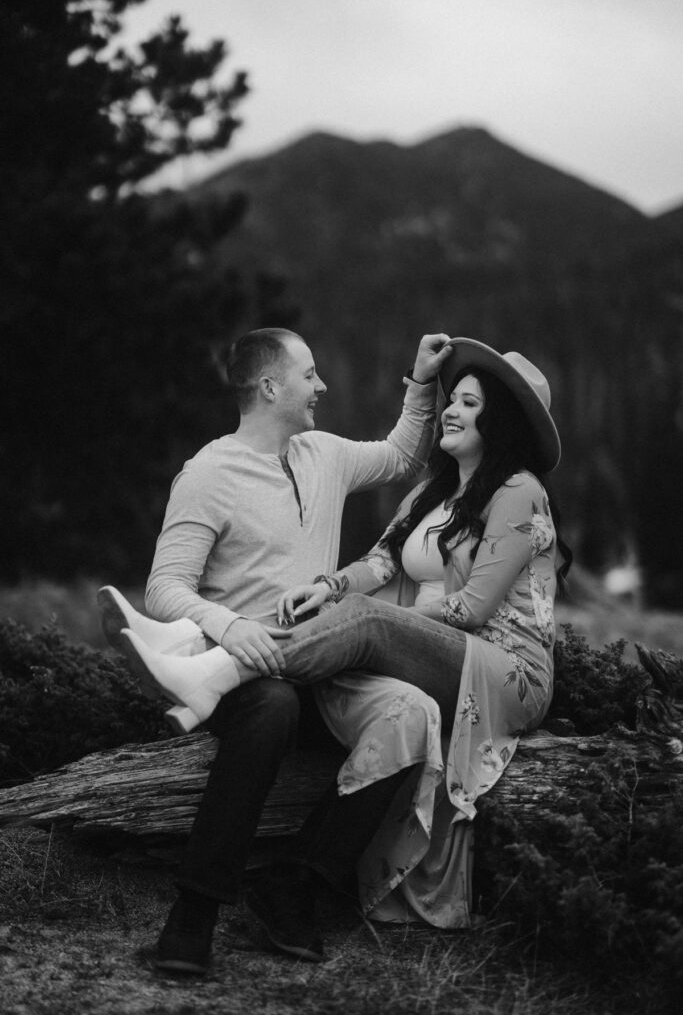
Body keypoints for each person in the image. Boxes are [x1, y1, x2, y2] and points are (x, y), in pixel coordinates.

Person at [120, 337, 571, 933]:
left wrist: (375, 621)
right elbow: (382, 563)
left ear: (502, 421)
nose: (450, 411)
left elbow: (467, 605)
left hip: (501, 665)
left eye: (469, 403)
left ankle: (208, 674)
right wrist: (330, 590)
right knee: (362, 692)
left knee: (384, 656)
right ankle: (263, 895)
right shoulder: (431, 493)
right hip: (382, 656)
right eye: (452, 400)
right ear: (270, 388)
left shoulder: (517, 489)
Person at [99, 326, 453, 973]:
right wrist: (231, 629)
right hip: (245, 677)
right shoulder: (208, 473)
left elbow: (402, 457)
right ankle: (192, 919)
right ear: (269, 386)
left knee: (411, 712)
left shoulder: (323, 454)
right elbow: (165, 589)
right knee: (272, 709)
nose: (321, 386)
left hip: (323, 662)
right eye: (309, 374)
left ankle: (293, 886)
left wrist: (423, 382)